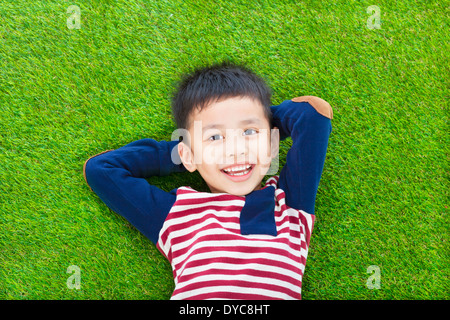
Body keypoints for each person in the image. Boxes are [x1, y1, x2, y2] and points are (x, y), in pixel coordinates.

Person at [83, 62, 333, 299]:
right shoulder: (175, 213)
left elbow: (313, 115)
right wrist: (192, 152)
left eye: (249, 132)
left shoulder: (289, 203)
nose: (235, 150)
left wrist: (260, 119)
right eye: (215, 137)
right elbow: (102, 170)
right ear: (187, 156)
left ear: (271, 145)